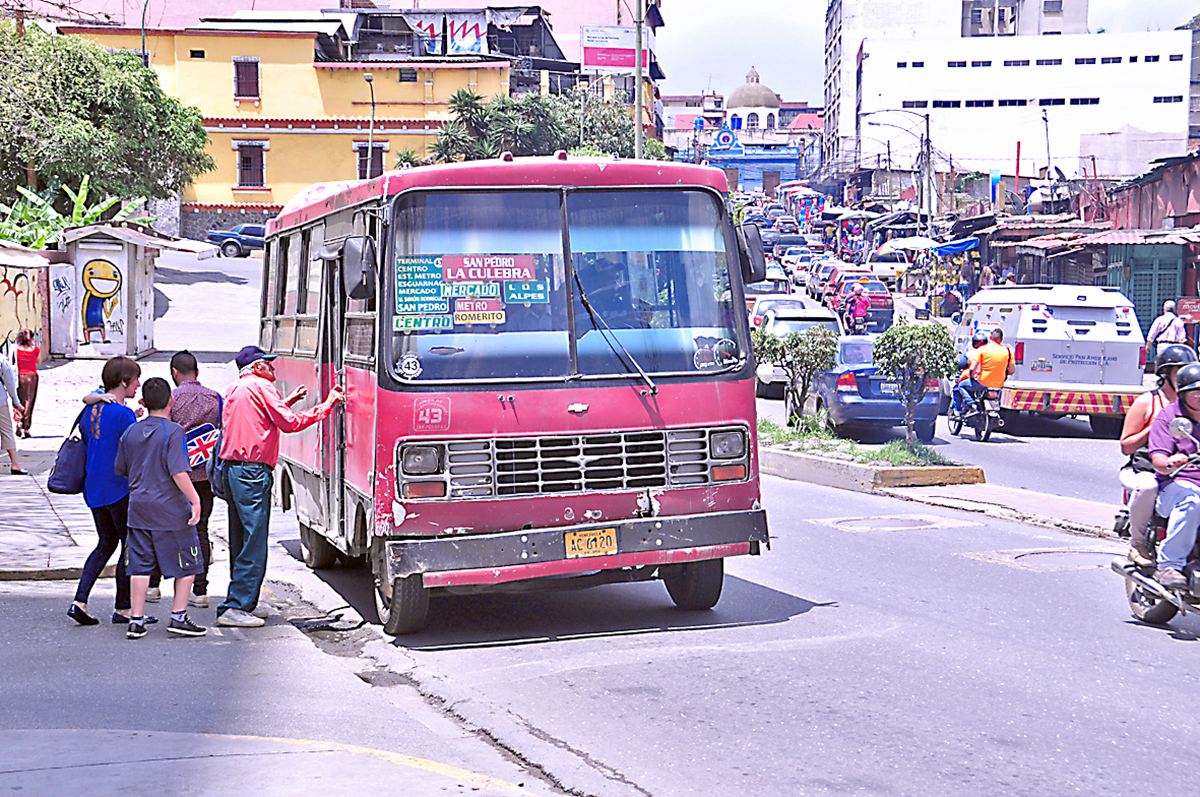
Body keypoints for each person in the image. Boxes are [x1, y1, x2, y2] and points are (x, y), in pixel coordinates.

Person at [216, 345, 343, 628]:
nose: (273, 368)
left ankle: (242, 601)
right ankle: (236, 606)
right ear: (258, 367)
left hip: (233, 470)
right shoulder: (262, 387)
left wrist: (287, 400)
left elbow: (260, 419)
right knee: (254, 542)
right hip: (252, 472)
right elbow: (288, 424)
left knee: (240, 539)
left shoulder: (236, 389)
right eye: (269, 364)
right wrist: (326, 406)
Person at [114, 377, 206, 639]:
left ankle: (136, 620)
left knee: (140, 566)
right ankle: (178, 617)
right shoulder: (174, 431)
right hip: (170, 510)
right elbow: (178, 471)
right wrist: (195, 500)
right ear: (171, 401)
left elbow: (121, 469)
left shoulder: (130, 432)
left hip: (138, 508)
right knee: (188, 563)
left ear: (143, 402)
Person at [69, 356, 153, 626]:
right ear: (123, 381)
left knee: (106, 543)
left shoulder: (93, 408)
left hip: (93, 488)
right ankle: (123, 608)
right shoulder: (122, 413)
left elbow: (91, 404)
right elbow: (136, 449)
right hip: (118, 489)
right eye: (135, 379)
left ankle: (79, 601)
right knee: (129, 546)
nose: (138, 384)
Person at [1119, 344, 1196, 566]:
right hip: (1145, 468)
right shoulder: (1148, 401)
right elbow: (1126, 446)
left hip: (1185, 470)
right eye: (1178, 370)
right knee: (1149, 487)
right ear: (1165, 374)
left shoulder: (1192, 404)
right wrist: (1153, 428)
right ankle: (1138, 542)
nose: (1183, 375)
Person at [1148, 361, 1200, 589]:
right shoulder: (1170, 418)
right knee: (1193, 500)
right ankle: (1171, 564)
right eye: (1196, 392)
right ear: (1182, 393)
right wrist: (1170, 461)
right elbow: (1158, 459)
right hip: (1176, 484)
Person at [952, 332, 990, 413]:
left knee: (959, 387)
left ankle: (963, 408)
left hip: (977, 381)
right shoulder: (992, 354)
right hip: (992, 382)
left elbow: (957, 364)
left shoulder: (971, 354)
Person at [0, 354, 24, 475]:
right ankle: (15, 463)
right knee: (6, 431)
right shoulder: (1, 359)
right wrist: (16, 401)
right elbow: (9, 382)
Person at [14, 328, 38, 438]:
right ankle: (26, 428)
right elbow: (39, 361)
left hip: (19, 376)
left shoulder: (15, 349)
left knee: (19, 400)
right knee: (29, 401)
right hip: (32, 376)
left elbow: (10, 361)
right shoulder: (34, 349)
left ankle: (19, 422)